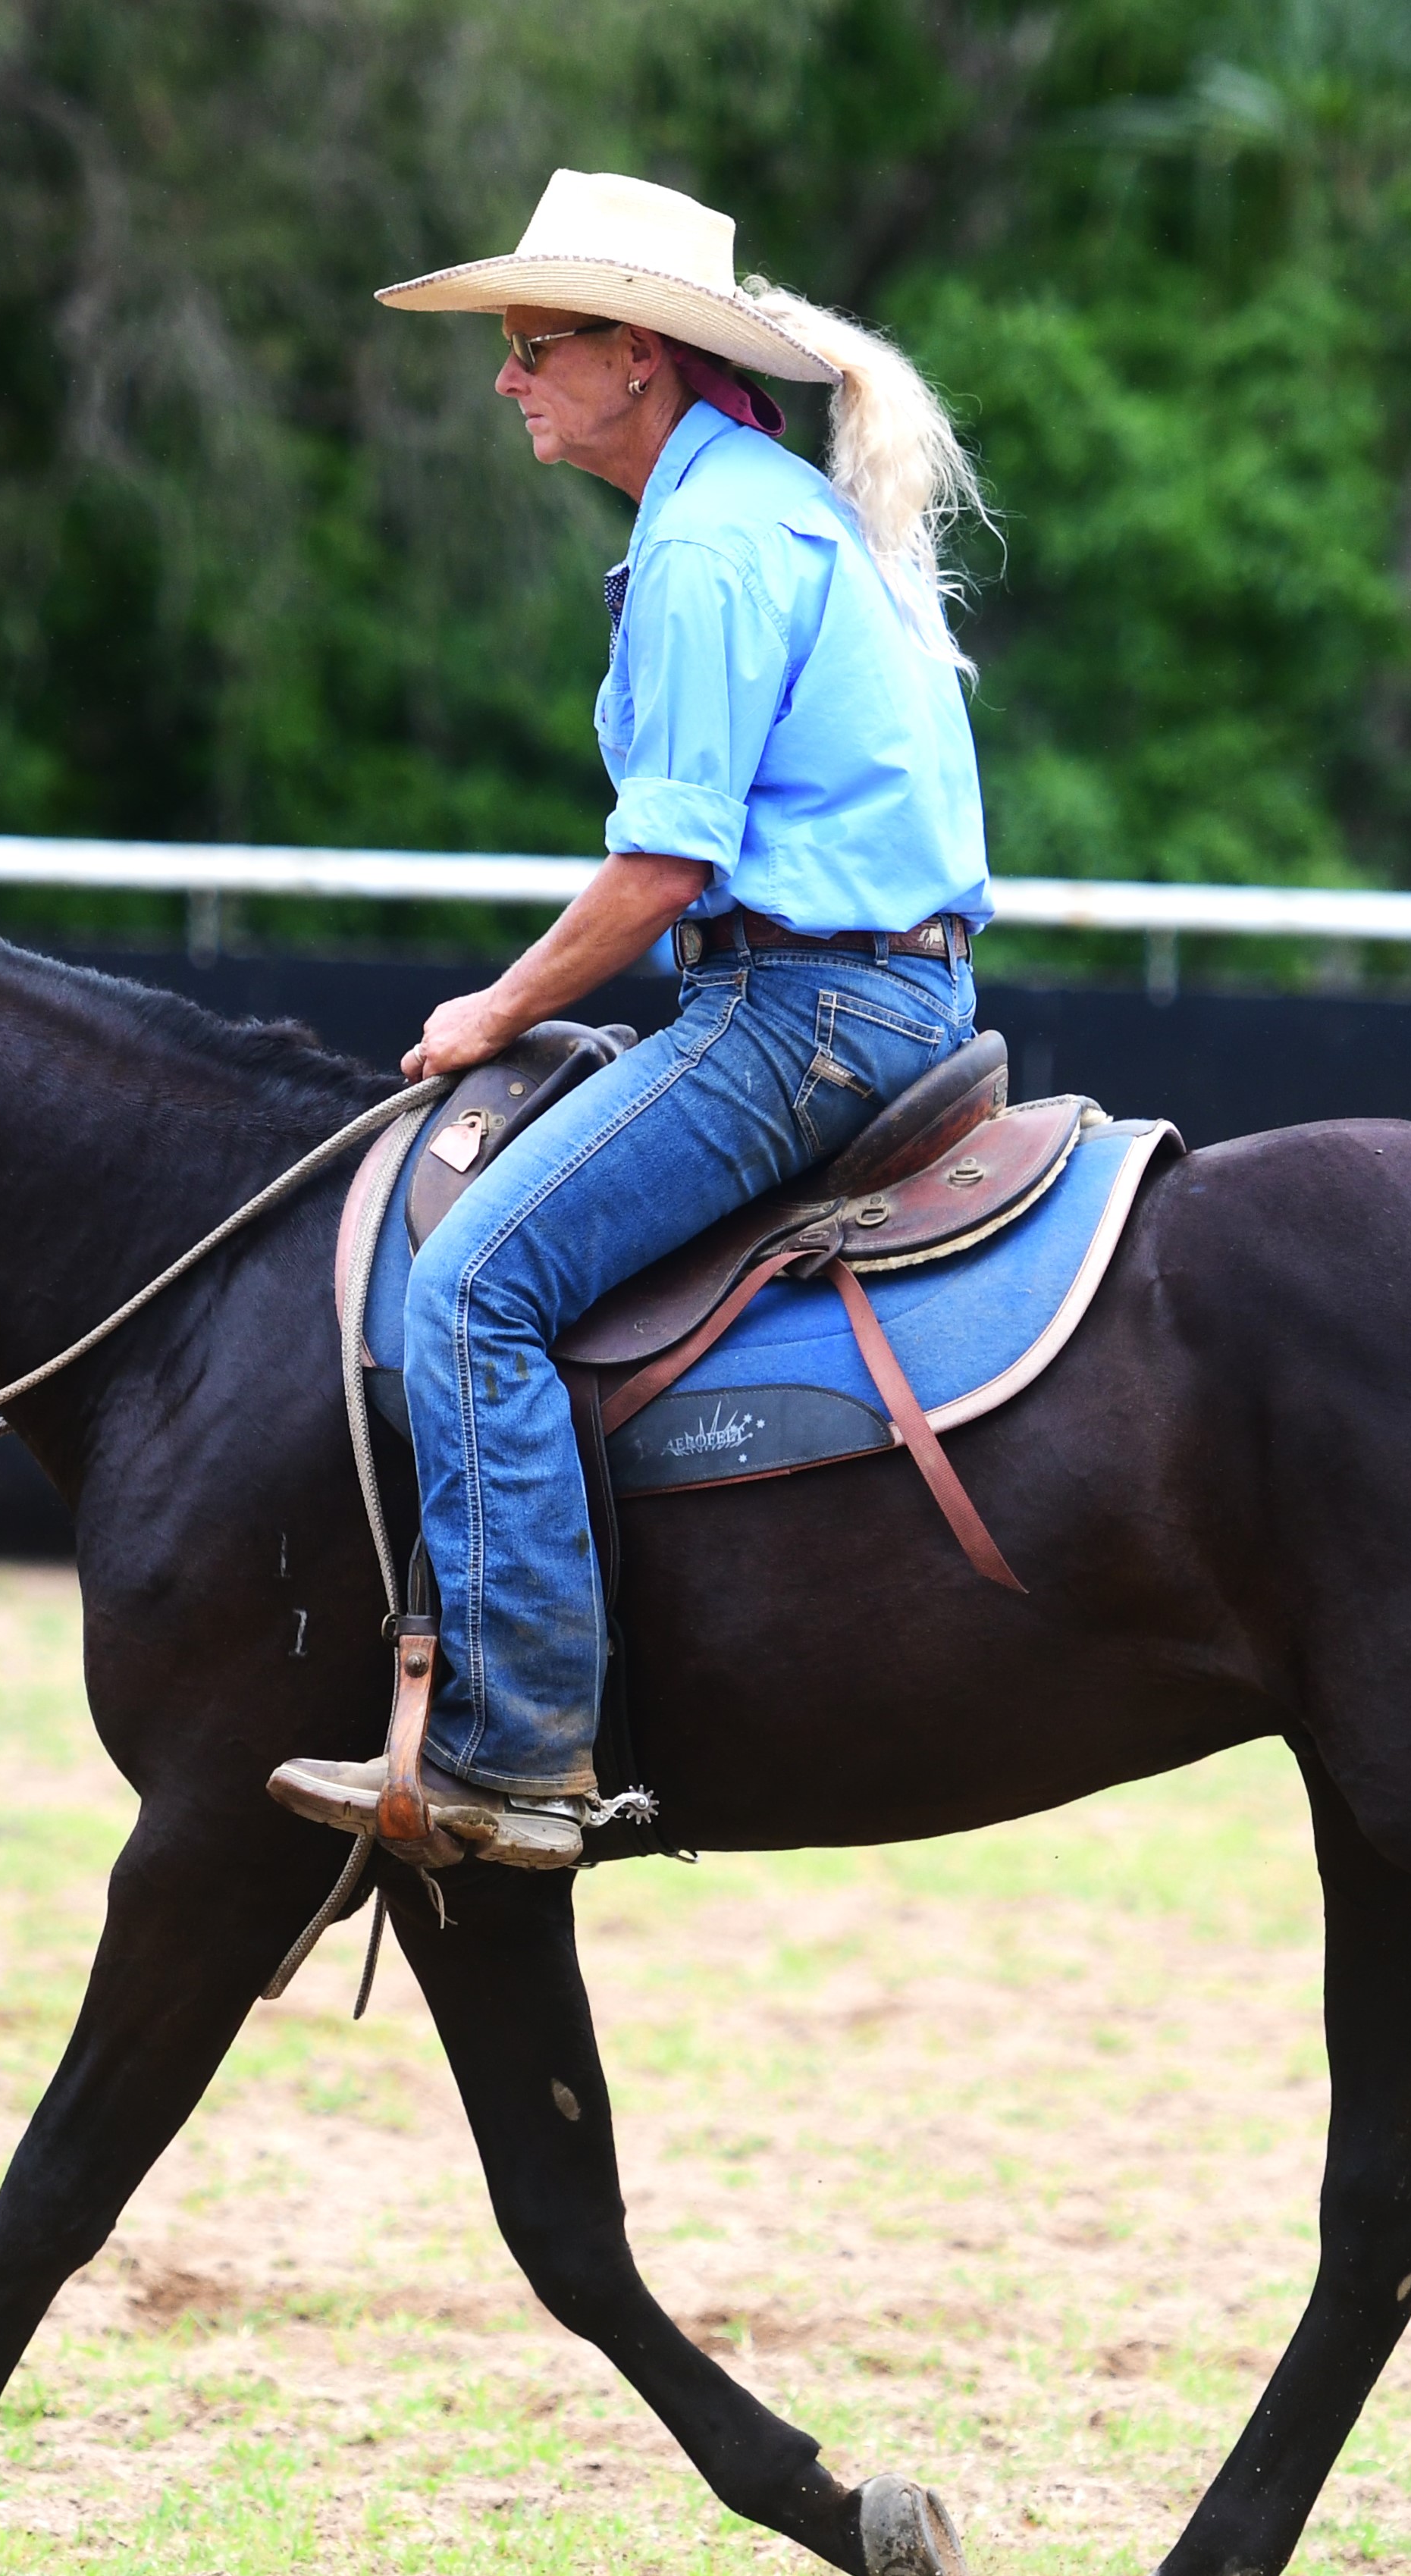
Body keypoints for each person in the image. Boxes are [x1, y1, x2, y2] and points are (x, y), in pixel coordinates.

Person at [271, 169, 995, 1872]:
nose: (506, 378)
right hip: (869, 990)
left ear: (637, 359)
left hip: (804, 1009)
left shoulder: (709, 541)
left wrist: (495, 1006)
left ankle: (515, 1752)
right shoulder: (766, 506)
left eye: (535, 347)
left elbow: (667, 867)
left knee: (469, 1289)